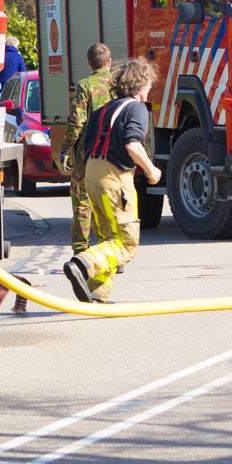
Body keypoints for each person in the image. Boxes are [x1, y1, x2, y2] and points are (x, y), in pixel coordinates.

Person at [61, 58, 162, 304]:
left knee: (109, 238)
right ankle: (83, 263)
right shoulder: (136, 108)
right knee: (126, 243)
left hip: (92, 175)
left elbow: (86, 143)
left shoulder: (102, 111)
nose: (150, 88)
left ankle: (97, 293)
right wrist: (151, 170)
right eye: (149, 83)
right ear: (140, 84)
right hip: (114, 178)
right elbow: (132, 144)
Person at [64, 44, 115, 255]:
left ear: (89, 63)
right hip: (113, 152)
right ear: (109, 62)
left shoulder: (85, 86)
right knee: (110, 200)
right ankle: (112, 251)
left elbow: (77, 122)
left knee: (82, 201)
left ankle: (81, 253)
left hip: (87, 152)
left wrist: (66, 148)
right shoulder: (119, 85)